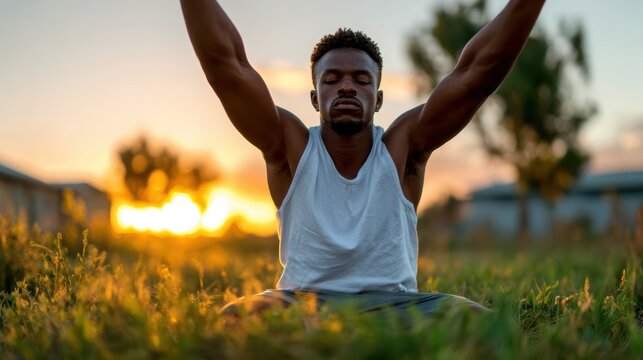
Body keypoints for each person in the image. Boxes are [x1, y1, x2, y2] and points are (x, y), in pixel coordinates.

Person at [180, 0, 545, 320]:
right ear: (314, 97)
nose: (347, 86)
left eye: (361, 79)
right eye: (332, 79)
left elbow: (474, 76)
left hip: (397, 306)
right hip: (302, 303)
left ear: (379, 98)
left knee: (481, 320)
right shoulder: (288, 146)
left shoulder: (403, 148)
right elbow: (227, 68)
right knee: (235, 317)